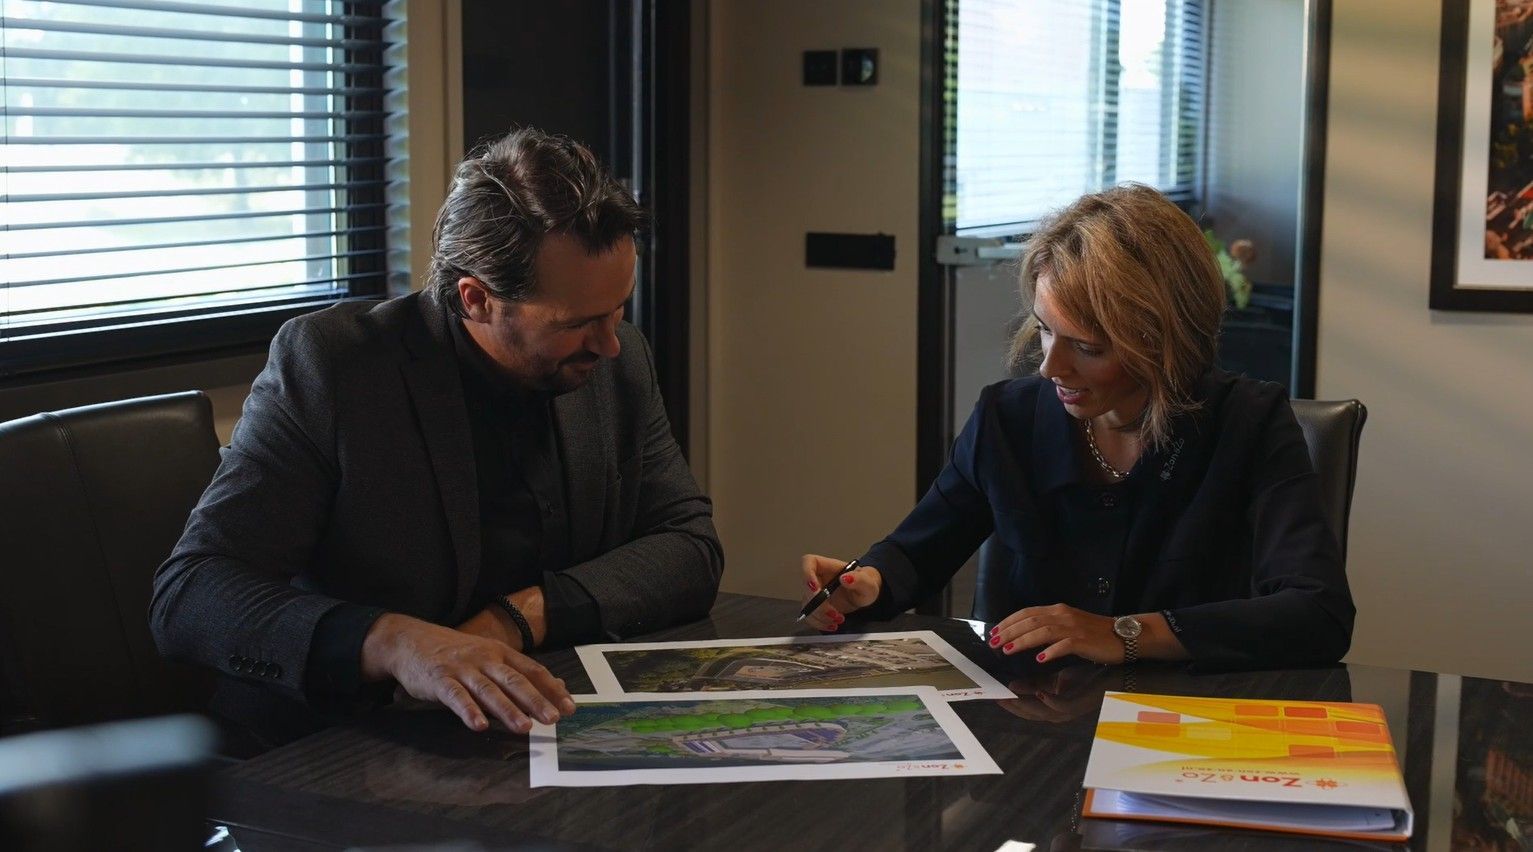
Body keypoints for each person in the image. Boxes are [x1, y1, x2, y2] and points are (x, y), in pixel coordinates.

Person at [152, 128, 723, 749]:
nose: (609, 343)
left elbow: (689, 546)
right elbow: (192, 594)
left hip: (527, 726)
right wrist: (396, 642)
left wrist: (518, 618)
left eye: (618, 311)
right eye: (579, 323)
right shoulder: (335, 368)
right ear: (476, 299)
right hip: (339, 744)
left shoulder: (618, 360)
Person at [799, 183, 1353, 671]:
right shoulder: (1006, 419)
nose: (1050, 367)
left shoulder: (1249, 424)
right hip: (1033, 739)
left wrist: (1123, 633)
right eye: (1044, 332)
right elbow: (917, 552)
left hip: (1182, 735)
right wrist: (866, 583)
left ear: (1166, 340)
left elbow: (1317, 612)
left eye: (1088, 347)